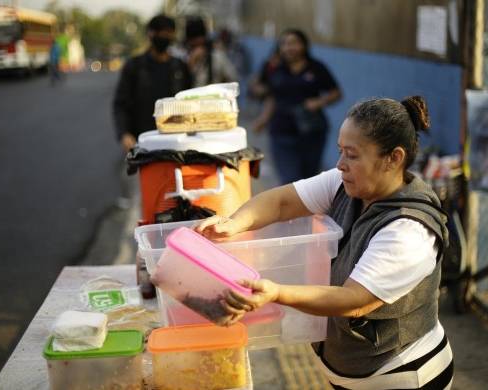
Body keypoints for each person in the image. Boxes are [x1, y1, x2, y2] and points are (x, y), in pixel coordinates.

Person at [194, 96, 454, 389]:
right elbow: (281, 202)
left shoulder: (409, 230)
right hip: (351, 373)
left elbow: (353, 301)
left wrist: (276, 292)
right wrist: (232, 223)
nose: (340, 164)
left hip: (404, 376)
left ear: (394, 158)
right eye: (340, 151)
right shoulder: (346, 185)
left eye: (352, 155)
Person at [259, 29, 341, 184]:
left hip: (311, 132)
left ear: (304, 46)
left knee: (309, 180)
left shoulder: (316, 67)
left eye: (294, 43)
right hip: (281, 131)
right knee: (289, 180)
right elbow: (271, 96)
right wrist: (263, 119)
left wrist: (319, 102)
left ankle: (306, 209)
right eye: (284, 44)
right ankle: (293, 207)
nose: (289, 47)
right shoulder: (276, 70)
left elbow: (336, 93)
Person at [113, 14, 192, 152]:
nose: (163, 37)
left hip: (176, 143)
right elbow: (120, 103)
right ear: (150, 34)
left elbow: (190, 102)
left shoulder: (180, 67)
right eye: (160, 33)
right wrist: (124, 134)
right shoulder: (134, 66)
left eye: (168, 33)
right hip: (142, 143)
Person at [183, 17, 238, 87]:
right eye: (194, 44)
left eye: (200, 43)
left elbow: (232, 78)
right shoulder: (182, 57)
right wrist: (191, 63)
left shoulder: (216, 56)